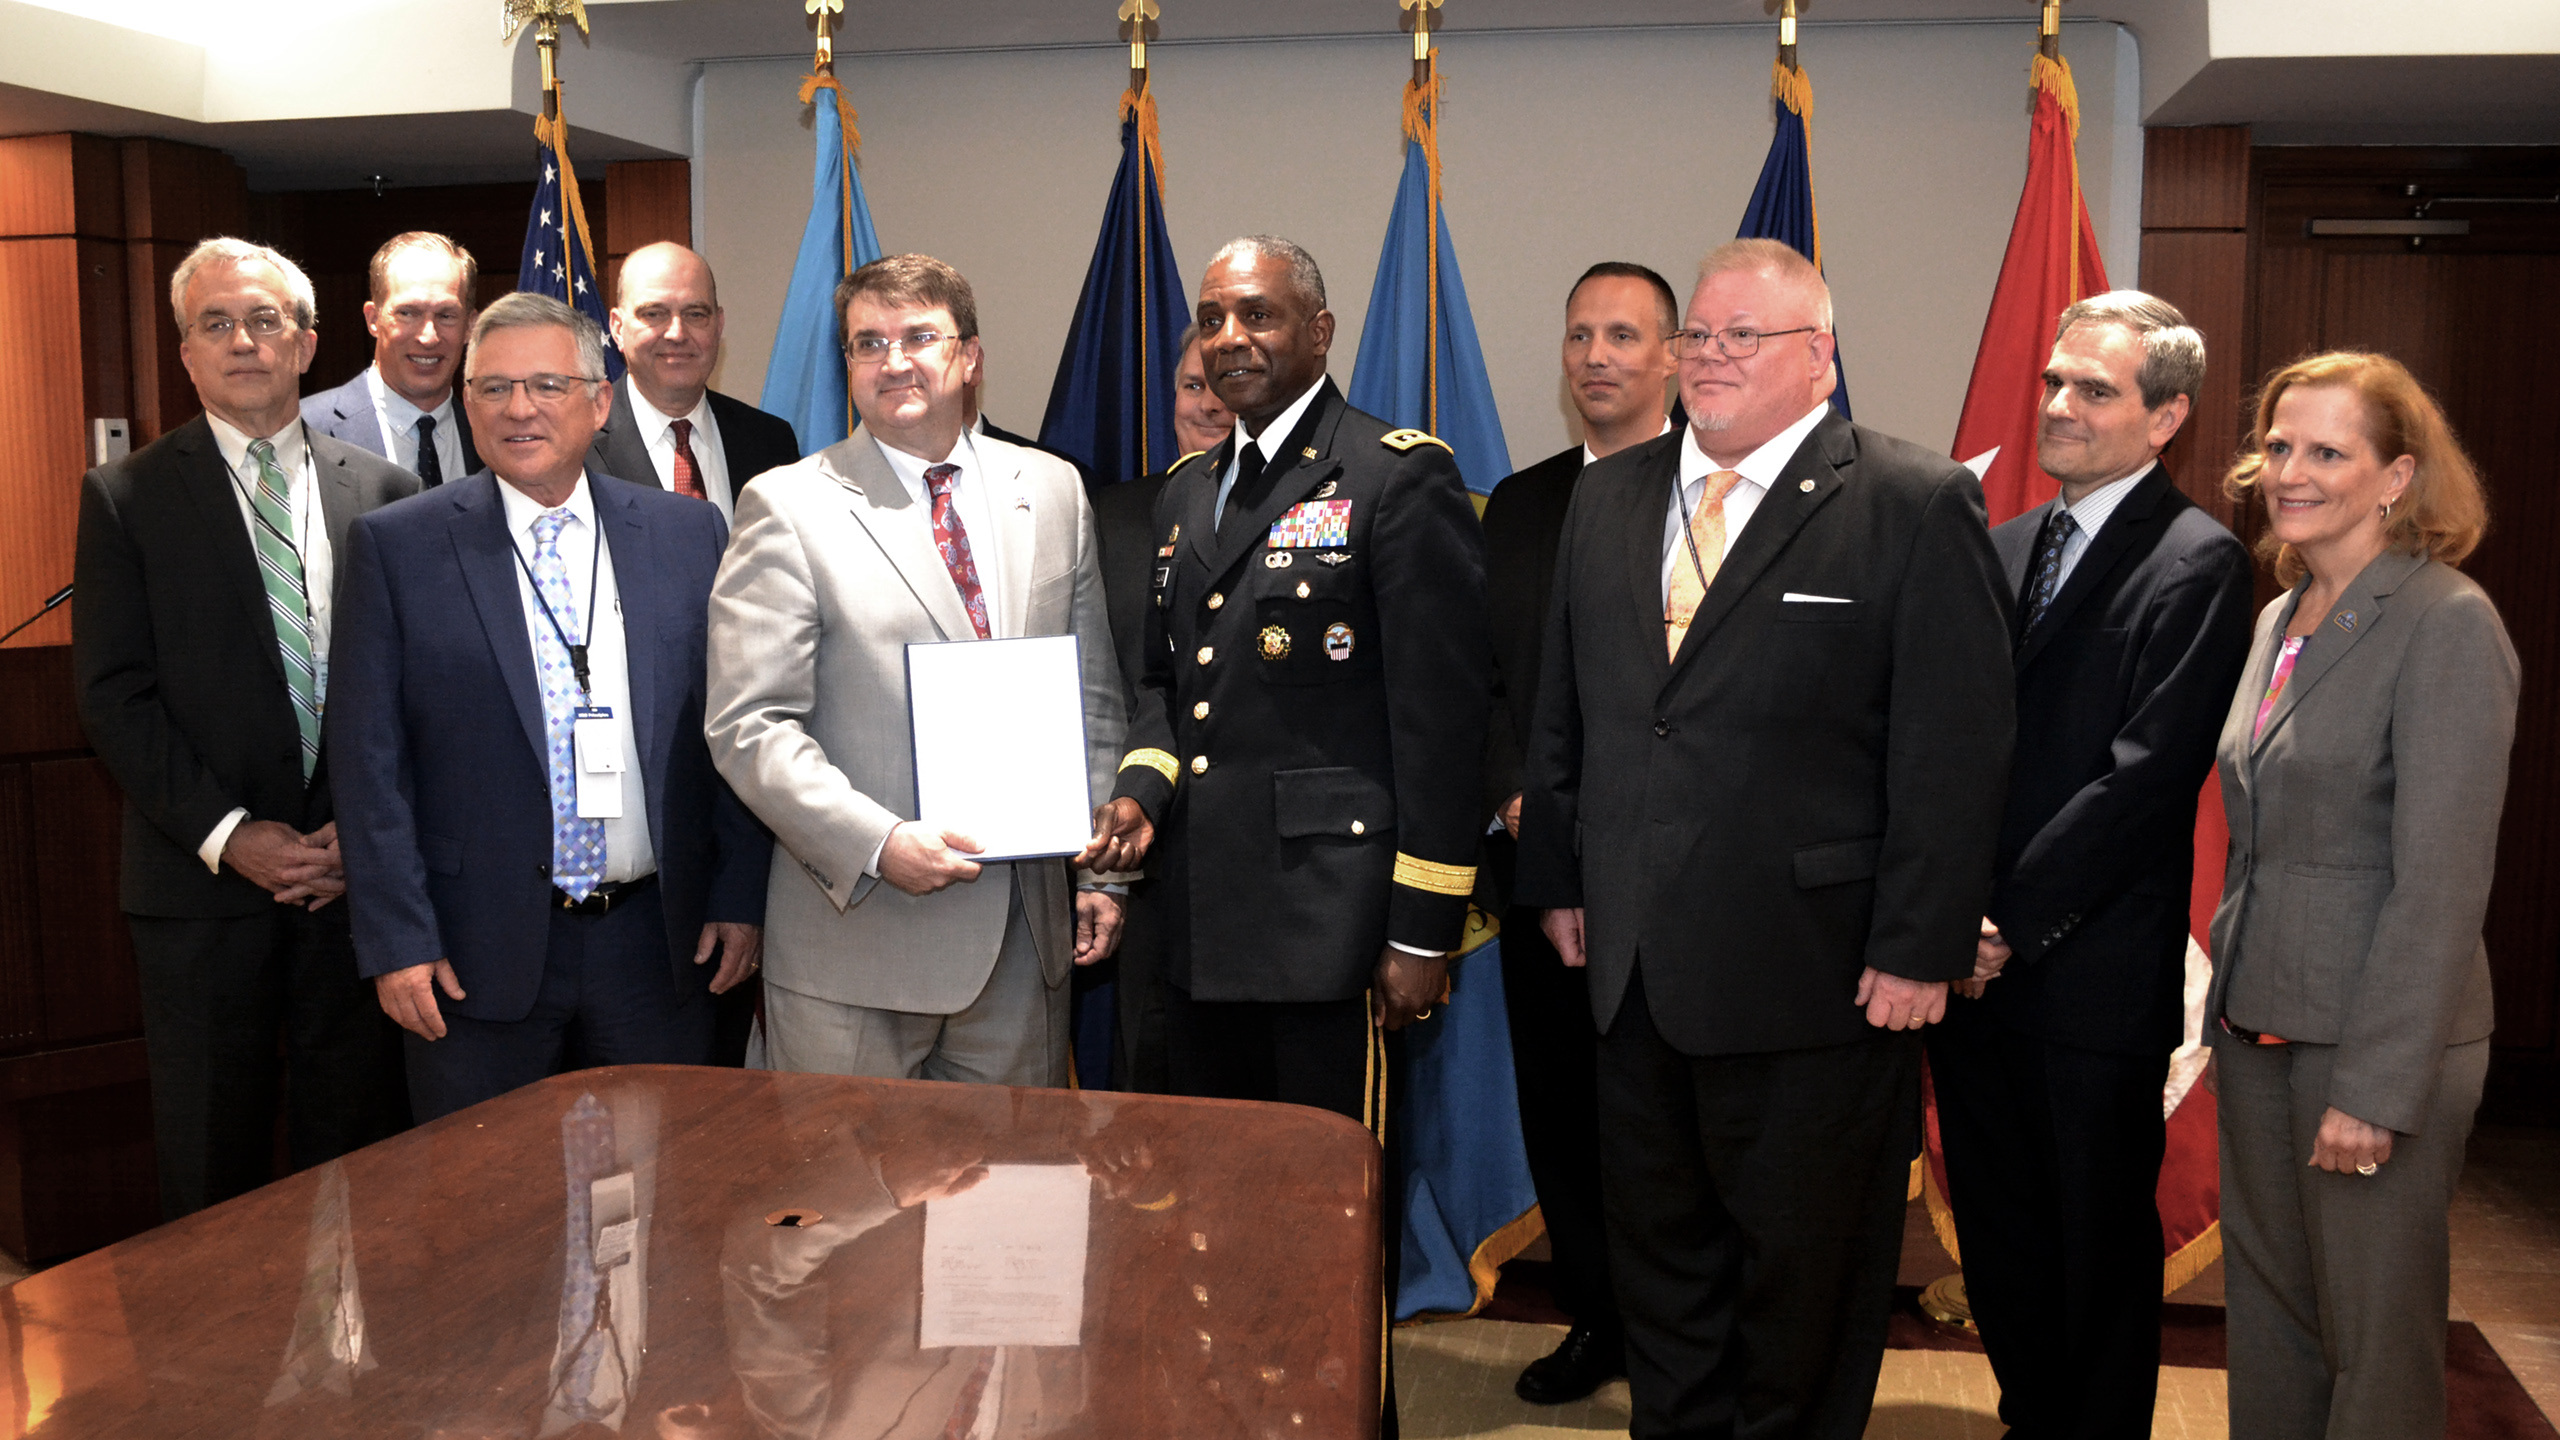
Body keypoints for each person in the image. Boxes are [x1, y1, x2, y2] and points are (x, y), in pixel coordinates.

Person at [1514, 238, 2013, 1439]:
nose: (1711, 356)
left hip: (1822, 983)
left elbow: (1953, 751)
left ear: (1819, 359)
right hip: (1631, 976)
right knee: (1663, 1279)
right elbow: (1565, 709)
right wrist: (1559, 878)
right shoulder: (1609, 494)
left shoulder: (1910, 500)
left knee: (1803, 1296)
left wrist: (1918, 944)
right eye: (1699, 335)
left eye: (1747, 335)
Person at [1101, 234, 1489, 1439]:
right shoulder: (1185, 491)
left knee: (1324, 1222)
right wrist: (1142, 791)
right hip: (1197, 920)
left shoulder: (1391, 475)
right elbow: (1171, 692)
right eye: (1213, 319)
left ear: (1318, 332)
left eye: (1259, 316)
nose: (1231, 340)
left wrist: (1421, 927)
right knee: (1207, 1204)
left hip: (1331, 929)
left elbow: (1442, 721)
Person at [1923, 291, 2255, 1437]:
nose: (2057, 404)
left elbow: (2144, 776)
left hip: (2085, 971)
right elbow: (1952, 746)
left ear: (2165, 417)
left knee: (2093, 1251)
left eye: (2094, 390)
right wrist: (1950, 916)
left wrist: (2004, 919)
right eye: (2055, 381)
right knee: (2006, 1237)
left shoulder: (2199, 561)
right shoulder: (2001, 542)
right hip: (1967, 974)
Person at [329, 292, 771, 1122]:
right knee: (486, 1220)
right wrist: (398, 942)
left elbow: (731, 732)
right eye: (492, 389)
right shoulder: (399, 546)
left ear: (599, 400)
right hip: (470, 954)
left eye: (545, 385)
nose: (518, 408)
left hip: (658, 949)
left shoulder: (691, 533)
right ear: (467, 406)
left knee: (666, 1205)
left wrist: (739, 896)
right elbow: (367, 762)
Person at [705, 254, 1140, 1088]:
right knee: (850, 1217)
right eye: (868, 343)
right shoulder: (789, 504)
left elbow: (1089, 698)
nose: (893, 360)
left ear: (969, 357)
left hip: (1022, 949)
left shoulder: (1051, 490)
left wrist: (1102, 871)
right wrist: (876, 842)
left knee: (1017, 1215)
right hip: (858, 952)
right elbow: (749, 725)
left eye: (918, 337)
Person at [73, 237, 414, 1217]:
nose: (243, 343)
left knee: (360, 1161)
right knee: (211, 1161)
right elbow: (112, 694)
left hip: (354, 886)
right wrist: (235, 837)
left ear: (308, 345)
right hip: (201, 892)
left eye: (265, 321)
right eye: (215, 324)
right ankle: (207, 1371)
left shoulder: (386, 495)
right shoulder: (126, 497)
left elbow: (415, 691)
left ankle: (365, 1370)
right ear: (185, 355)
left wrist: (367, 831)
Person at [2208, 351, 2514, 1440]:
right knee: (2273, 1318)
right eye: (2280, 446)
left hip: (2372, 1050)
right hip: (2260, 1027)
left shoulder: (2444, 620)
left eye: (2327, 451)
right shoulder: (2280, 615)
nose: (2290, 471)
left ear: (2396, 476)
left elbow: (2441, 876)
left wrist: (2378, 1088)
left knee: (2374, 1343)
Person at [1479, 260, 1679, 1405]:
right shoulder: (1522, 503)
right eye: (1577, 337)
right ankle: (1595, 1320)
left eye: (1621, 336)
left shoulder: (1709, 497)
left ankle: (1673, 1345)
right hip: (1537, 863)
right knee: (1562, 1112)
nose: (1595, 356)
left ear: (1669, 358)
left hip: (1665, 880)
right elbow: (1487, 679)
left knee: (1658, 1125)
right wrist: (1516, 797)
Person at [1090, 323, 1234, 1093]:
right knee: (1144, 1111)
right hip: (1134, 865)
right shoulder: (1110, 515)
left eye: (1221, 384)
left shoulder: (1321, 505)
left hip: (1257, 872)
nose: (1206, 404)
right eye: (1189, 385)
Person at [589, 240, 802, 527]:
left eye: (695, 314)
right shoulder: (577, 442)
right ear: (617, 328)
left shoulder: (771, 441)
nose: (677, 333)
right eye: (654, 313)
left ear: (718, 325)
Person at [302, 232, 481, 486]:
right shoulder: (307, 430)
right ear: (373, 319)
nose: (428, 337)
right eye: (408, 313)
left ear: (470, 326)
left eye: (446, 315)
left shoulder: (492, 434)